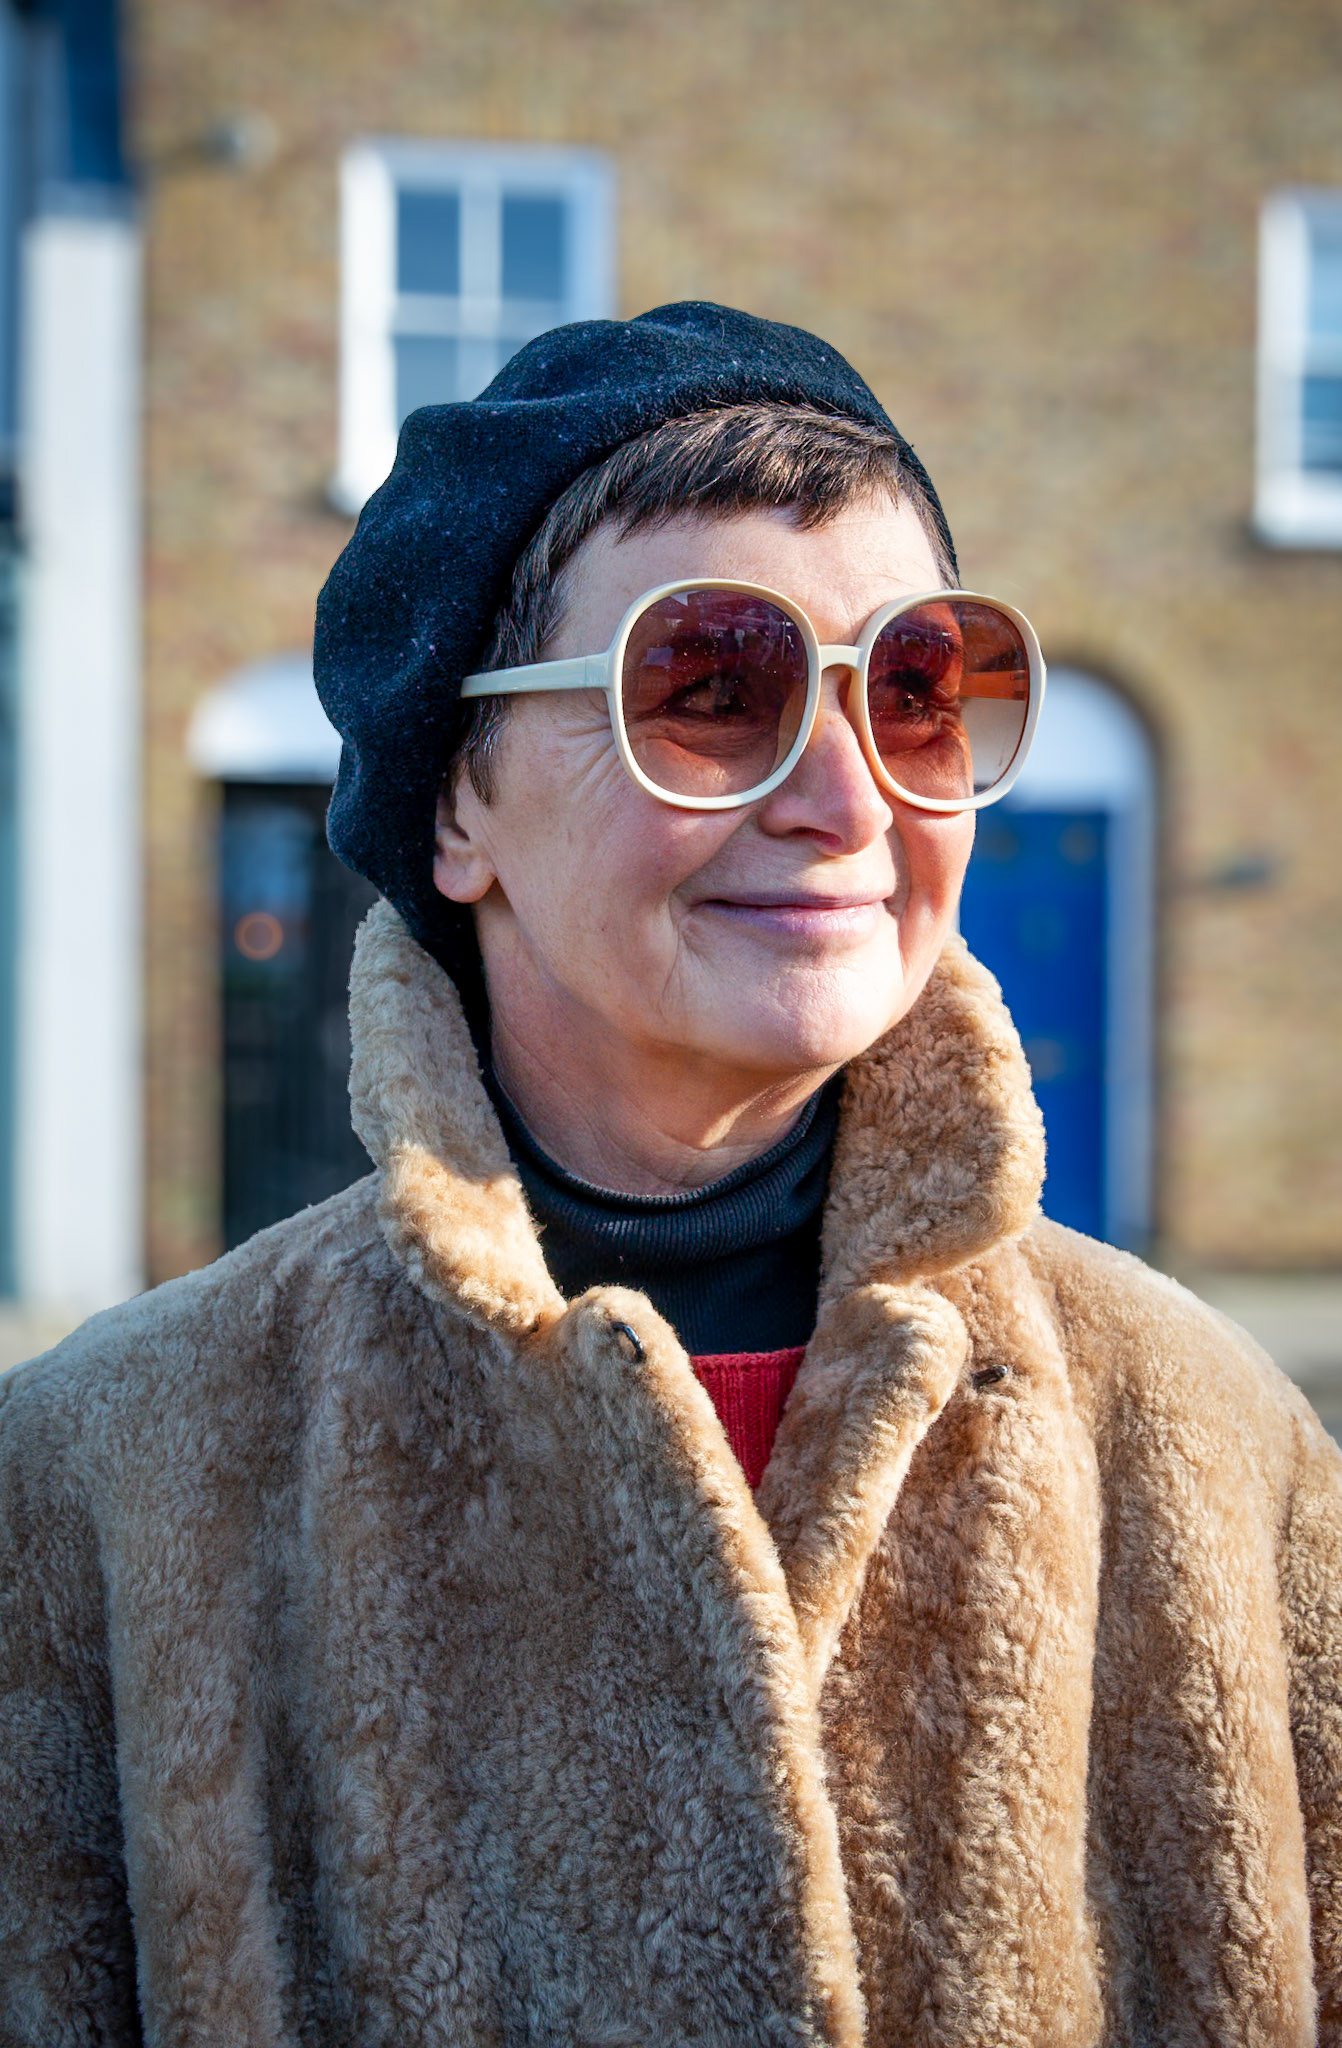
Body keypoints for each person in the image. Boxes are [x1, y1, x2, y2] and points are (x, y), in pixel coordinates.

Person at [1, 302, 1339, 2047]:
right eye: (712, 690)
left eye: (920, 689)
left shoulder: (1216, 1450)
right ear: (457, 804)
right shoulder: (100, 1489)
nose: (847, 799)